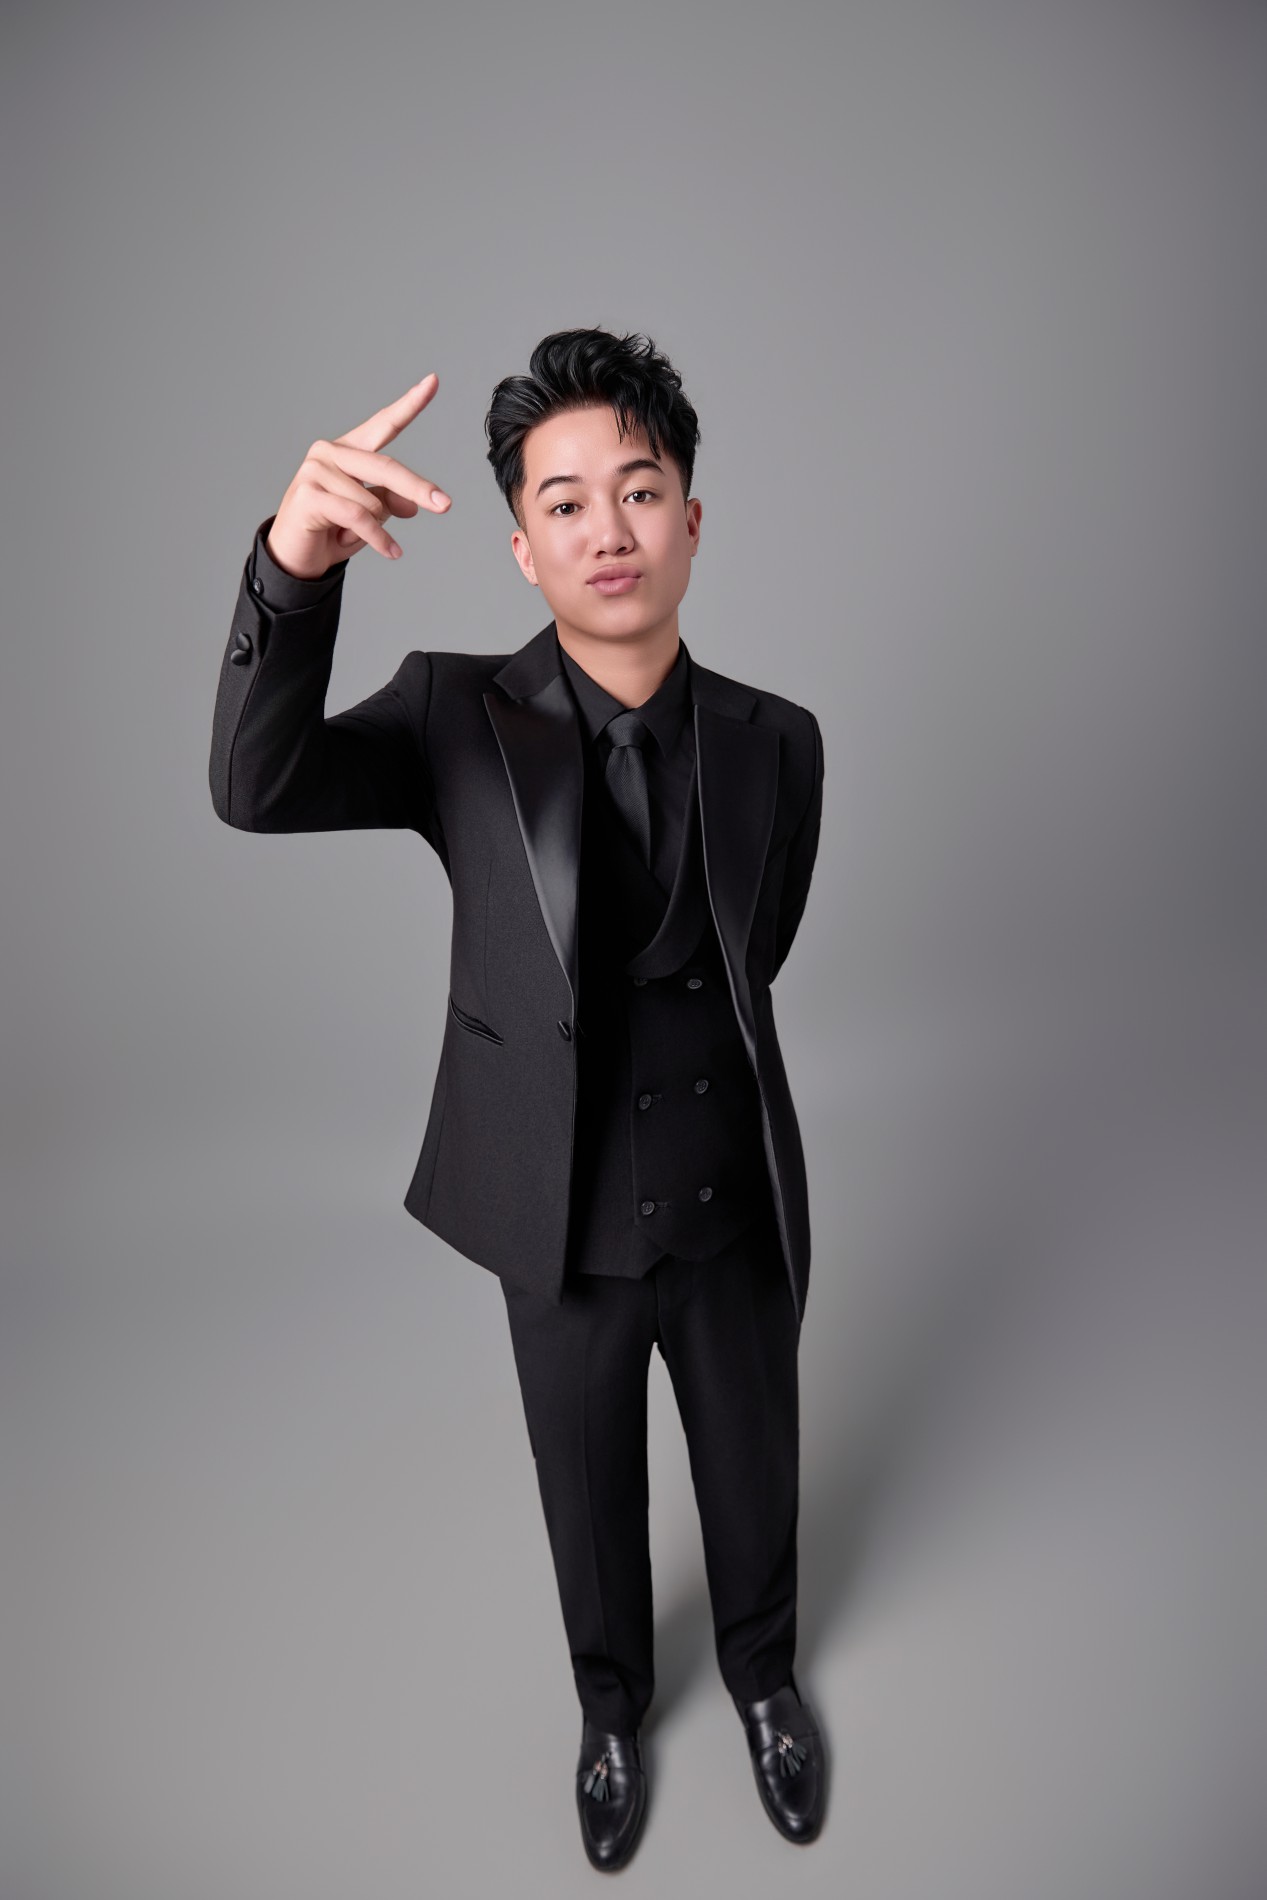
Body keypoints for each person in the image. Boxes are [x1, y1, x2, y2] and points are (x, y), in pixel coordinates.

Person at [209, 329, 826, 1868]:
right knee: (586, 1488)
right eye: (565, 503)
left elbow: (757, 952)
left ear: (693, 518)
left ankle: (765, 1681)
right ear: (520, 546)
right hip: (558, 1222)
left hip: (733, 1205)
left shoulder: (780, 744)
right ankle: (611, 1714)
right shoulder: (452, 716)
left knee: (755, 1469)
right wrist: (293, 570)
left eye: (641, 489)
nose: (608, 528)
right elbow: (254, 789)